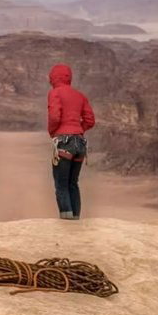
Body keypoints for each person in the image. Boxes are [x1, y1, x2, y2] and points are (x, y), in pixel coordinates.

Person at [47, 64, 95, 220]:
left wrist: (53, 132)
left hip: (64, 142)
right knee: (73, 183)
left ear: (54, 77)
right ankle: (75, 220)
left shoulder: (55, 93)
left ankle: (67, 223)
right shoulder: (80, 96)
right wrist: (78, 129)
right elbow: (90, 120)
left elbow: (54, 116)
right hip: (79, 143)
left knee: (61, 184)